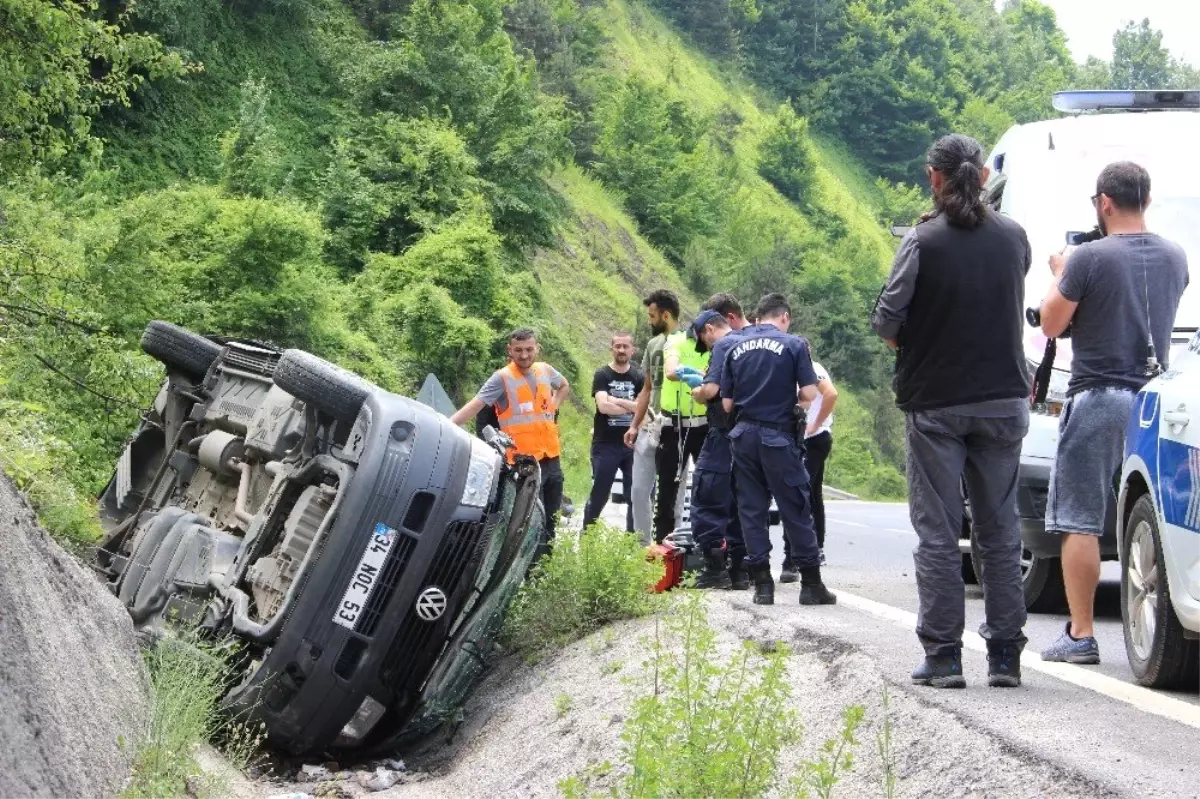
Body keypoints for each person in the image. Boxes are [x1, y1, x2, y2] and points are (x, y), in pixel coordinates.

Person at [871, 133, 1032, 689]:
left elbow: (887, 323)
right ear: (984, 176)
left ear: (933, 178)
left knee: (938, 533)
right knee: (1000, 529)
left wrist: (918, 343)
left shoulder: (922, 240)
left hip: (936, 404)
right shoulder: (1015, 237)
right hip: (1005, 400)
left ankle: (943, 658)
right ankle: (1006, 656)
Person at [1036, 161, 1188, 665]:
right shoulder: (1175, 257)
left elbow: (1053, 325)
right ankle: (1163, 627)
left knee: (1079, 519)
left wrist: (1061, 273)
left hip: (1098, 395)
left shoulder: (1088, 257)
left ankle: (1081, 635)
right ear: (1147, 200)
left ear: (1104, 202)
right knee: (1150, 515)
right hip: (1154, 400)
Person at [721, 292, 837, 606]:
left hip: (743, 436)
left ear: (758, 316)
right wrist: (796, 407)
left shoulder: (734, 346)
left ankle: (762, 586)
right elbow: (811, 392)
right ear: (783, 317)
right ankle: (811, 585)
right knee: (796, 507)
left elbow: (727, 403)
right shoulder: (794, 345)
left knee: (751, 509)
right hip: (778, 436)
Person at [450, 328, 570, 546]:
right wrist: (446, 427)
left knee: (552, 521)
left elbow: (563, 386)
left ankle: (543, 574)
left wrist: (554, 406)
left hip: (552, 458)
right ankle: (528, 573)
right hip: (525, 466)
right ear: (510, 350)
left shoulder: (545, 370)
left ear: (537, 349)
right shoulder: (502, 378)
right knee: (532, 526)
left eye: (529, 350)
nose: (524, 355)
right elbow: (474, 406)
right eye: (518, 350)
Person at [685, 295, 749, 589]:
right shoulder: (753, 343)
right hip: (750, 436)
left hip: (722, 435)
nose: (707, 346)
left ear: (710, 329)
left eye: (704, 340)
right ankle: (741, 569)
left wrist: (697, 391)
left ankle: (714, 568)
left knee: (707, 496)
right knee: (742, 501)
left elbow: (711, 390)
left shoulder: (724, 344)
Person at [625, 290, 680, 544]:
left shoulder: (687, 343)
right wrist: (634, 425)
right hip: (648, 426)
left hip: (676, 428)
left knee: (674, 496)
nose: (649, 320)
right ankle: (643, 548)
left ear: (665, 315)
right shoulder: (652, 344)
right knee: (638, 491)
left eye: (652, 315)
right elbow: (646, 388)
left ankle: (671, 550)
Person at [781, 361, 838, 581]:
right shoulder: (790, 367)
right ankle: (818, 548)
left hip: (814, 439)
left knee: (798, 493)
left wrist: (815, 424)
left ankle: (793, 558)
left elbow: (831, 394)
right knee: (812, 494)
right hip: (798, 438)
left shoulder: (812, 369)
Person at [582, 333, 644, 531]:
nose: (622, 350)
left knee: (634, 494)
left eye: (625, 346)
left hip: (632, 444)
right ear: (612, 349)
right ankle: (587, 537)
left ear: (632, 350)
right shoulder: (602, 374)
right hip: (605, 444)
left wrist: (616, 400)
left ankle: (632, 541)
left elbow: (644, 409)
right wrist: (632, 406)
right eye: (618, 346)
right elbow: (603, 407)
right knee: (600, 493)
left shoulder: (639, 376)